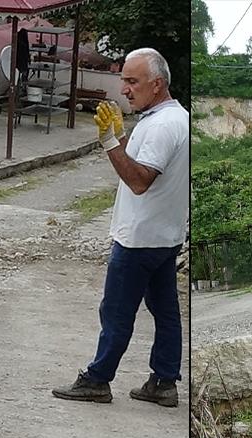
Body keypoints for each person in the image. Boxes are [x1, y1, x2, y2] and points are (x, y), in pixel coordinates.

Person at [52, 48, 187, 407]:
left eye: (132, 81)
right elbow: (144, 162)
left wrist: (109, 142)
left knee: (115, 311)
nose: (124, 89)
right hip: (165, 236)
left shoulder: (160, 126)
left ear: (156, 85)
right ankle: (164, 381)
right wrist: (122, 137)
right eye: (123, 80)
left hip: (139, 239)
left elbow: (140, 180)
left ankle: (97, 379)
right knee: (165, 311)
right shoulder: (174, 118)